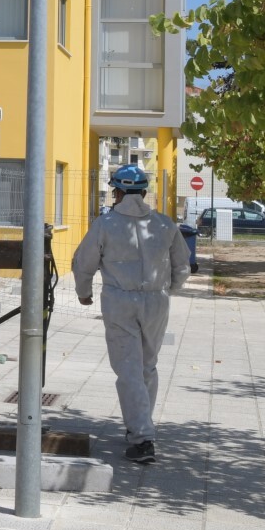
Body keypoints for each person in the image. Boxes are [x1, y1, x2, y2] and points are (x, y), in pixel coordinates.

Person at [72, 164, 190, 465]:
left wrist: (83, 292)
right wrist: (169, 289)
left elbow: (84, 262)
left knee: (128, 369)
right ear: (144, 192)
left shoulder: (106, 224)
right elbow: (182, 264)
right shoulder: (164, 224)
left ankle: (142, 438)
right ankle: (141, 425)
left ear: (118, 192)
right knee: (147, 366)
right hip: (156, 300)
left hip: (120, 301)